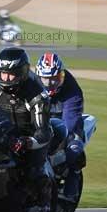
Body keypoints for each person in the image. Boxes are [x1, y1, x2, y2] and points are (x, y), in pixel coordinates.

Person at [0, 47, 53, 212]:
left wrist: (27, 142)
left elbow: (43, 131)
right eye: (3, 73)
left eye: (11, 74)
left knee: (33, 171)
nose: (6, 79)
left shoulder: (37, 96)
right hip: (2, 135)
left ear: (23, 72)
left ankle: (41, 207)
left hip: (29, 138)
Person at [35, 52, 86, 202]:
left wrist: (67, 133)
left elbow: (71, 117)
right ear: (39, 76)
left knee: (74, 145)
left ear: (61, 75)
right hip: (40, 117)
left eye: (55, 79)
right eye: (46, 79)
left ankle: (74, 175)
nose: (50, 83)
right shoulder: (32, 83)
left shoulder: (71, 89)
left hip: (62, 118)